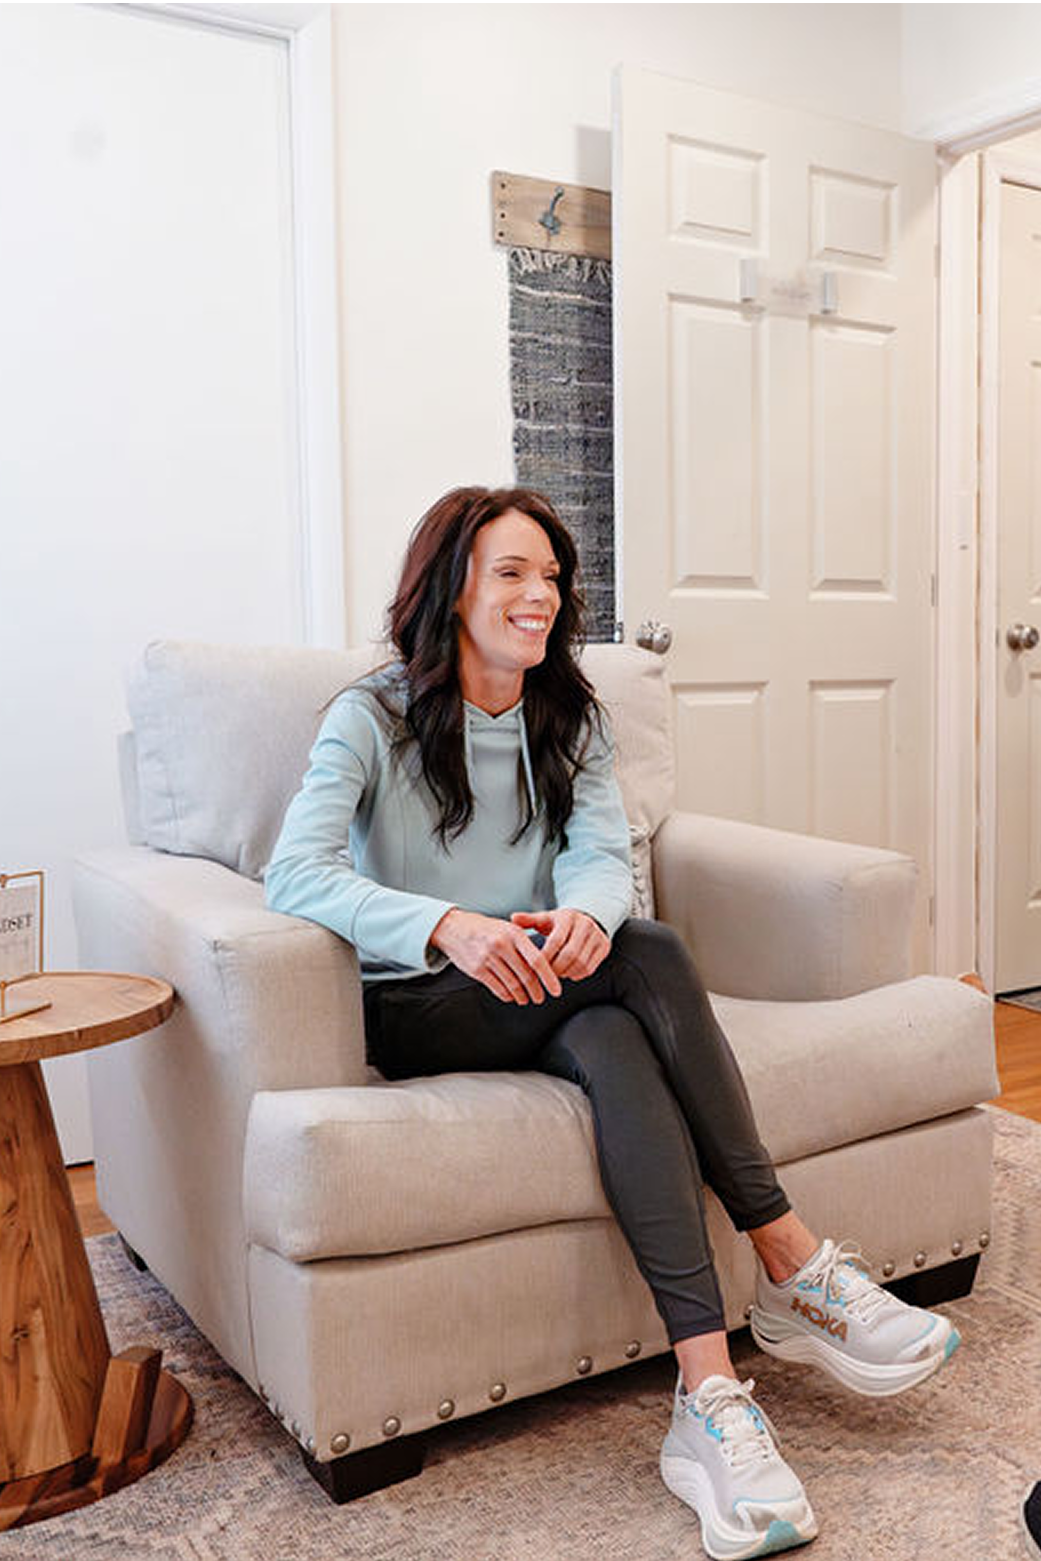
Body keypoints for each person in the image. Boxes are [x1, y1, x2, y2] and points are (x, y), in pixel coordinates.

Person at [265, 485, 959, 1561]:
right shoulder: (373, 715)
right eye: (512, 573)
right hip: (420, 1002)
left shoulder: (567, 717)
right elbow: (293, 874)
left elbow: (596, 861)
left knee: (621, 1032)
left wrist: (587, 918)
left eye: (551, 577)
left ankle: (709, 1395)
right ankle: (790, 1256)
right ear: (450, 586)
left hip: (553, 989)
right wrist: (447, 924)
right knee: (656, 953)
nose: (539, 596)